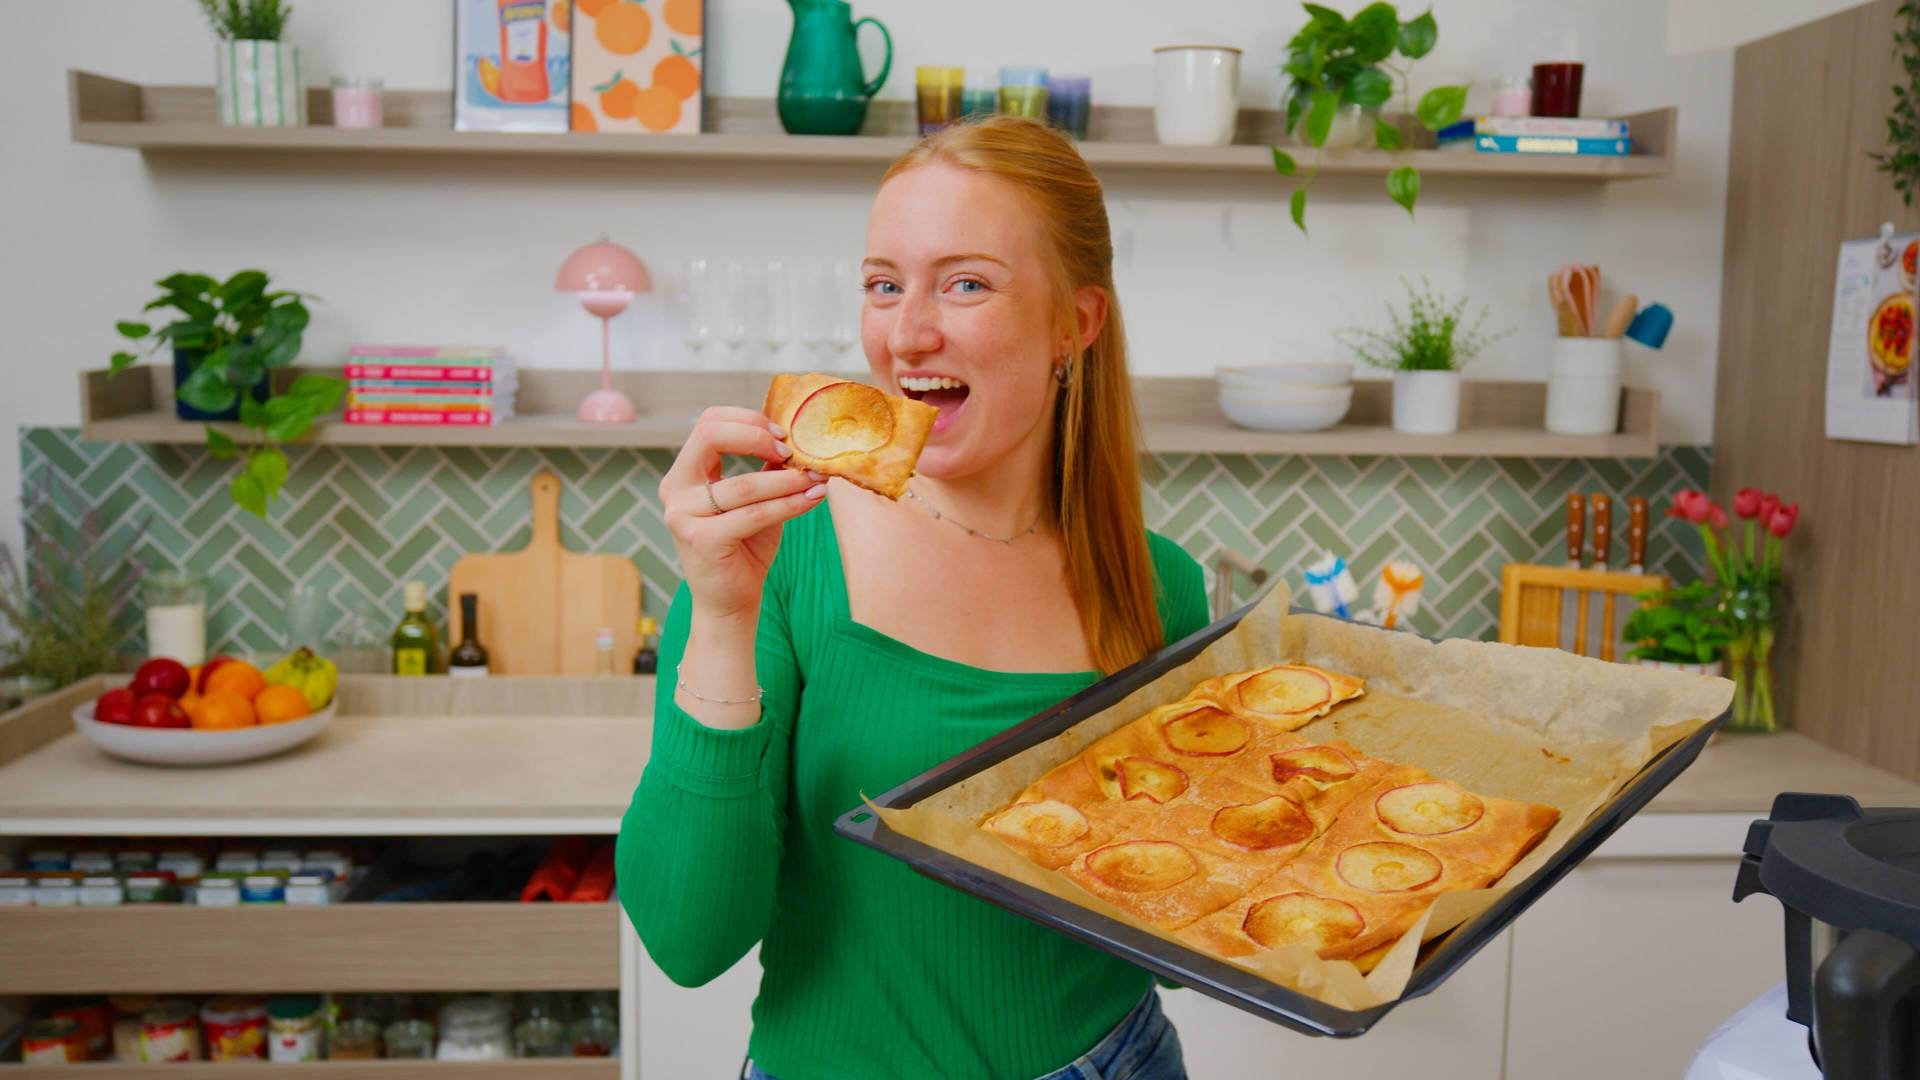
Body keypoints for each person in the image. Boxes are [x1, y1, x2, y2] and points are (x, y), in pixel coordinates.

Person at [616, 115, 1209, 1080]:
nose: (907, 334)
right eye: (884, 285)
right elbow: (688, 942)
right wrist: (720, 619)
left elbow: (1181, 932)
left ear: (1077, 323)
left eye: (965, 283)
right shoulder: (777, 560)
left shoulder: (1159, 584)